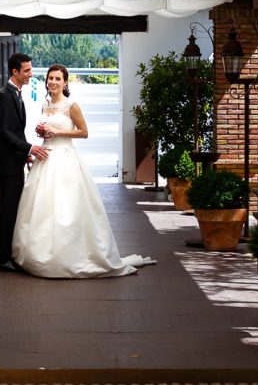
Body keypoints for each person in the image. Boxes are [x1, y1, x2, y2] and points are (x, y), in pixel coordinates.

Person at [12, 64, 155, 278]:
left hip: (65, 158)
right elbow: (46, 130)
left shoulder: (72, 106)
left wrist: (57, 131)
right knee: (42, 208)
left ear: (65, 82)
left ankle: (69, 255)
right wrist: (41, 131)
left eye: (58, 79)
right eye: (50, 78)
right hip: (46, 157)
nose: (52, 82)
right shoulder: (45, 103)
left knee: (66, 207)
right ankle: (39, 253)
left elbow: (84, 132)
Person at [0, 53, 50, 272]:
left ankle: (6, 255)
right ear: (14, 72)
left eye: (30, 69)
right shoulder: (4, 96)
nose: (30, 74)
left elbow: (16, 130)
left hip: (14, 161)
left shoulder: (15, 94)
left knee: (12, 210)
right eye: (26, 70)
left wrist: (24, 153)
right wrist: (29, 148)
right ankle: (1, 259)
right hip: (7, 166)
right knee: (7, 211)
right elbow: (4, 132)